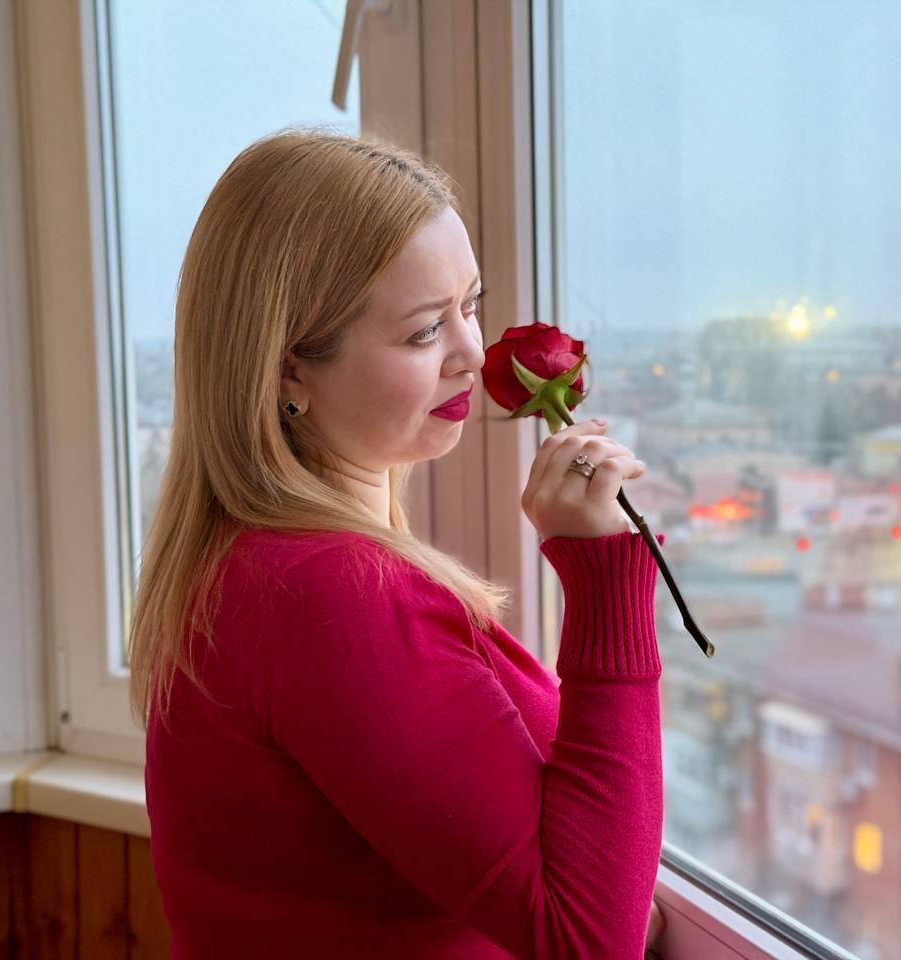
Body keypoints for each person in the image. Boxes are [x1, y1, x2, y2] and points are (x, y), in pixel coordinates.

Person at [131, 128, 667, 958]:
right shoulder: (328, 594)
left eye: (470, 306)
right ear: (289, 370)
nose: (472, 354)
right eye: (424, 332)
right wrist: (603, 584)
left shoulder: (255, 562)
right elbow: (589, 940)